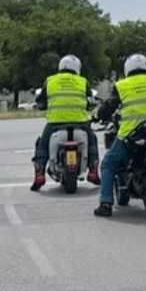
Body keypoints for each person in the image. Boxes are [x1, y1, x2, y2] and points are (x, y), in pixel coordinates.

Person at [93, 54, 146, 217]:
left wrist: (99, 114)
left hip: (133, 134)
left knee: (108, 164)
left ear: (127, 69)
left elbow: (108, 107)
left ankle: (106, 204)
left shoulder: (121, 85)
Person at [32, 55, 99, 191]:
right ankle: (93, 171)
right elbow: (90, 99)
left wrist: (43, 104)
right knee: (92, 140)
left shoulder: (50, 81)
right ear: (77, 68)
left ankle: (39, 174)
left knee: (42, 144)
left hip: (55, 123)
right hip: (80, 123)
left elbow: (40, 100)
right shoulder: (82, 81)